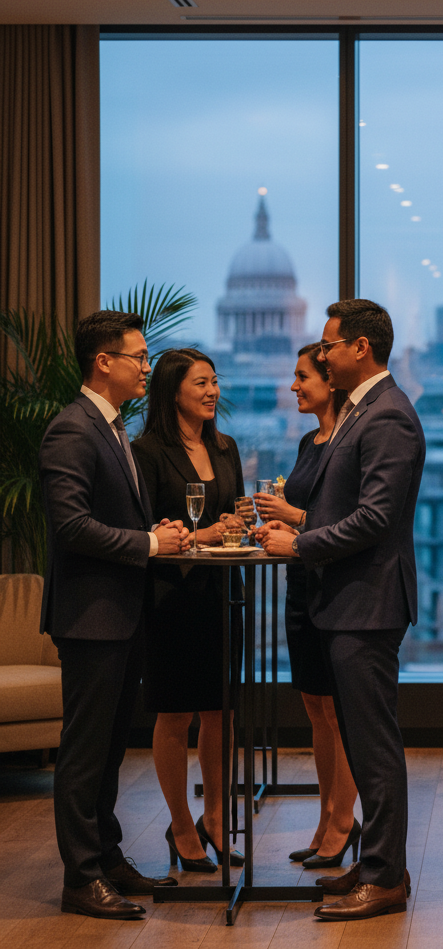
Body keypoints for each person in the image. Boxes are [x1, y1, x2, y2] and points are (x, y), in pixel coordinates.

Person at [258, 299, 424, 921]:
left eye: (329, 345)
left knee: (374, 747)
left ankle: (384, 878)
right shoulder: (363, 410)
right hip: (349, 601)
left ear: (360, 348)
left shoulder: (387, 417)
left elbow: (376, 518)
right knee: (362, 742)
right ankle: (378, 862)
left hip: (368, 603)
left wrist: (299, 542)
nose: (320, 354)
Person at [39, 310, 189, 919]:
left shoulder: (112, 426)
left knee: (108, 753)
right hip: (91, 616)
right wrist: (150, 545)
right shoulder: (72, 429)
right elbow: (72, 526)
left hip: (121, 614)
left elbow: (110, 518)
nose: (147, 367)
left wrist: (152, 531)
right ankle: (81, 878)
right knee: (85, 753)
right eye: (138, 356)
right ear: (105, 362)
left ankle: (107, 857)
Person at [132, 348, 246, 873]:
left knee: (219, 710)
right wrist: (203, 533)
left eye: (215, 381)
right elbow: (148, 534)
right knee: (175, 712)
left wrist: (238, 523)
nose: (212, 391)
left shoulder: (225, 447)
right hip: (170, 597)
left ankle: (216, 817)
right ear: (173, 390)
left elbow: (232, 515)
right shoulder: (148, 451)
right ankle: (180, 825)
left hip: (221, 593)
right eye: (201, 383)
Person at [253, 344, 360, 868]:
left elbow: (341, 518)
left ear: (330, 380)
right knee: (316, 708)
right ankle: (326, 817)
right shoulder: (307, 440)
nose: (294, 386)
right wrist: (279, 525)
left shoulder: (349, 438)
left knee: (339, 714)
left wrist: (291, 517)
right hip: (302, 583)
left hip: (338, 586)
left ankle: (344, 821)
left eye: (301, 376)